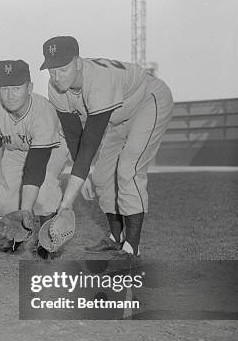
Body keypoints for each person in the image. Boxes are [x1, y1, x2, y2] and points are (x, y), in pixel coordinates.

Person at [41, 36, 174, 260]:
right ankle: (115, 238)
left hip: (148, 100)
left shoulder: (98, 80)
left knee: (128, 170)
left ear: (79, 63)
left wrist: (66, 203)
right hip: (118, 116)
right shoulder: (56, 88)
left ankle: (131, 248)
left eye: (63, 69)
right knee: (101, 177)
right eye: (52, 70)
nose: (56, 76)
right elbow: (75, 137)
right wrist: (81, 179)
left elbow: (90, 143)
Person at [0, 59, 71, 259]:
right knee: (4, 197)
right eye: (4, 88)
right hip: (15, 150)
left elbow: (35, 167)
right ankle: (15, 238)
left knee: (43, 195)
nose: (10, 94)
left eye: (17, 88)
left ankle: (47, 239)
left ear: (29, 87)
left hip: (50, 149)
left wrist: (26, 211)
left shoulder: (43, 111)